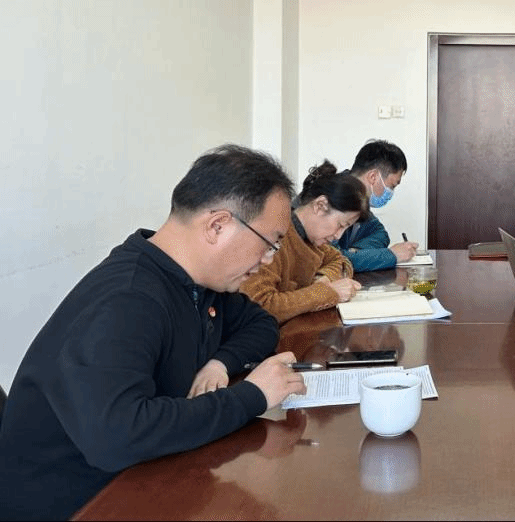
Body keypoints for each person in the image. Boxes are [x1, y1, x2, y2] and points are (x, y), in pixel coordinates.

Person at [0, 144, 309, 521]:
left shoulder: (199, 283)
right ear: (217, 225)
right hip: (78, 501)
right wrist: (252, 396)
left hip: (146, 475)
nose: (269, 260)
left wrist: (220, 363)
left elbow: (260, 323)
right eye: (270, 243)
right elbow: (117, 437)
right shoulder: (128, 298)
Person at [241, 160, 368, 323]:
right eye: (341, 225)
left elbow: (341, 261)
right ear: (320, 206)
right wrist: (325, 293)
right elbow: (261, 305)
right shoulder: (273, 239)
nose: (338, 236)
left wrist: (325, 278)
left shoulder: (313, 241)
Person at [332, 139, 418, 271]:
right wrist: (391, 256)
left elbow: (380, 234)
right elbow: (334, 261)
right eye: (392, 186)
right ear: (373, 177)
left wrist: (355, 252)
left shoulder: (359, 199)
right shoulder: (333, 197)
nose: (391, 193)